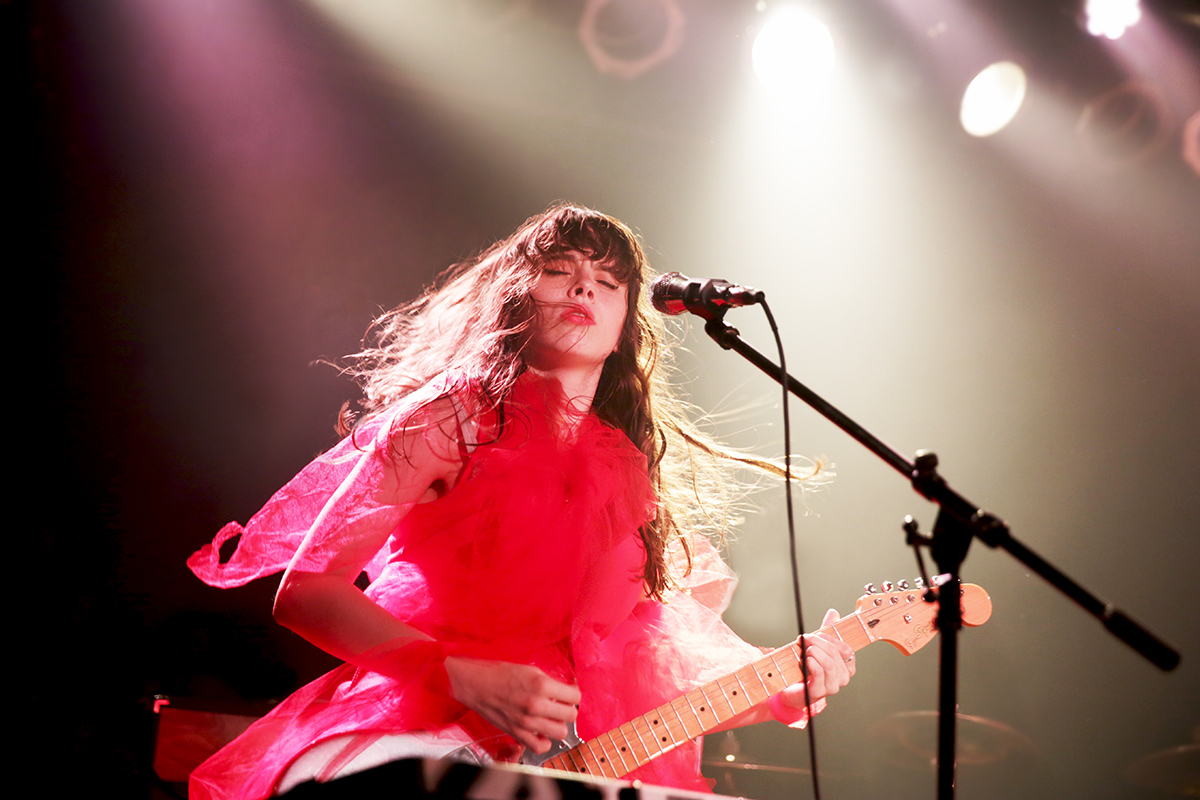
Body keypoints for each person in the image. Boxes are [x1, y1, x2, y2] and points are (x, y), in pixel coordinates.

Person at [186, 204, 854, 799]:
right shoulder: (451, 417)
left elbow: (632, 670)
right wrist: (457, 674)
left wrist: (775, 696)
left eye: (609, 281)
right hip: (423, 735)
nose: (586, 284)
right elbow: (304, 592)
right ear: (517, 299)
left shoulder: (628, 470)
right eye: (561, 270)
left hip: (558, 763)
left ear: (625, 325)